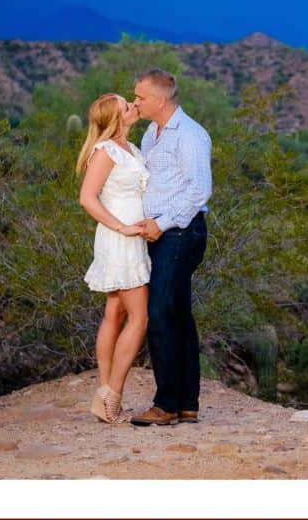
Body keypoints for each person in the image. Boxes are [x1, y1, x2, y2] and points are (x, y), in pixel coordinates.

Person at [129, 68, 212, 427]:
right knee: (178, 315)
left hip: (179, 233)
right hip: (161, 234)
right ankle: (186, 403)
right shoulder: (151, 133)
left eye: (140, 98)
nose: (135, 102)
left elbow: (199, 190)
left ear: (160, 100)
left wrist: (160, 224)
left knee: (160, 313)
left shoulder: (191, 135)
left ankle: (165, 405)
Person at [76, 93, 151, 424]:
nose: (134, 107)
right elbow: (87, 198)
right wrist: (121, 227)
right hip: (119, 239)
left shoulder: (131, 150)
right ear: (117, 119)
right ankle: (113, 395)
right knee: (140, 318)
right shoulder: (105, 151)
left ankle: (104, 391)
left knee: (115, 312)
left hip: (133, 239)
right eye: (127, 106)